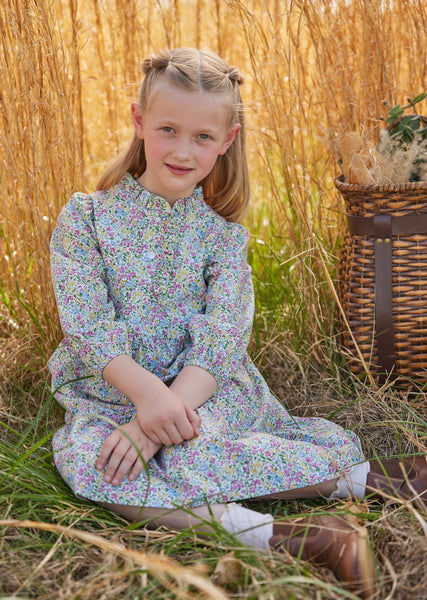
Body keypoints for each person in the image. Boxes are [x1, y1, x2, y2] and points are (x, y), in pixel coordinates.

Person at [49, 47, 427, 599]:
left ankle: (370, 479)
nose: (183, 150)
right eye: (168, 129)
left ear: (227, 141)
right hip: (112, 392)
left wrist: (161, 418)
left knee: (195, 446)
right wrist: (147, 404)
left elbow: (223, 338)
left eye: (202, 137)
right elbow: (87, 326)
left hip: (206, 389)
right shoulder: (85, 217)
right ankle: (302, 536)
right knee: (98, 464)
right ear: (138, 121)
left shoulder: (222, 237)